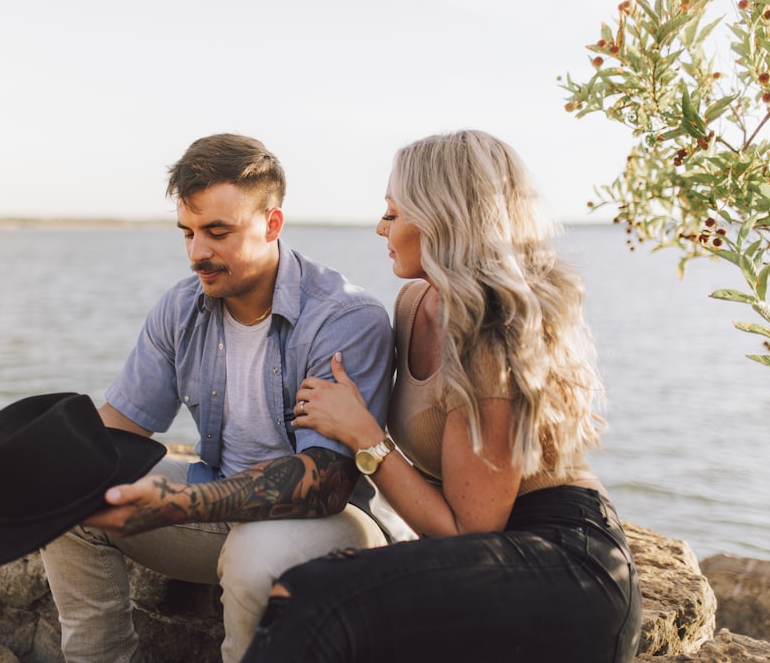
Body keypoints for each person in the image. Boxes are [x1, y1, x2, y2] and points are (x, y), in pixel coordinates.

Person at [241, 130, 643, 663]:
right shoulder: (413, 303)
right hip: (487, 555)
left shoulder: (488, 338)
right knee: (311, 592)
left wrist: (364, 436)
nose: (380, 226)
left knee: (314, 596)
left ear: (440, 219)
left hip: (564, 564)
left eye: (392, 212)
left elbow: (469, 531)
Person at [39, 133, 410, 663]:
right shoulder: (183, 307)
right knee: (68, 499)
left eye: (217, 232)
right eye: (187, 233)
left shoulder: (343, 318)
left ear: (272, 224)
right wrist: (30, 460)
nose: (198, 254)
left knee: (254, 556)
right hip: (218, 503)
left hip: (330, 525)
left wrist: (181, 503)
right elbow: (116, 429)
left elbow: (325, 483)